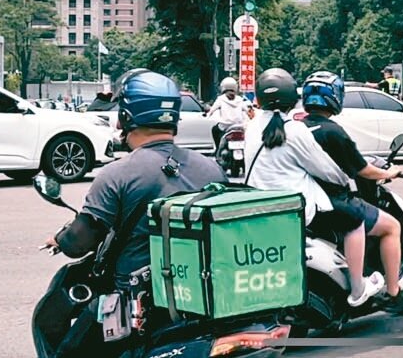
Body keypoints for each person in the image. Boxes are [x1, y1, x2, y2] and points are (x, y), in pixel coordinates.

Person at [41, 69, 227, 354]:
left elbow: (80, 243)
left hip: (138, 303)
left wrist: (61, 239)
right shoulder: (211, 168)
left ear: (126, 117)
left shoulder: (117, 174)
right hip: (202, 296)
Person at [244, 68, 383, 307]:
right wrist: (344, 180)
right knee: (355, 219)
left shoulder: (252, 127)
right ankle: (358, 288)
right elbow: (326, 170)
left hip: (262, 205)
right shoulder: (294, 130)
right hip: (298, 209)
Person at [300, 71, 403, 313]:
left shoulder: (297, 128)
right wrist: (389, 173)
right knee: (392, 227)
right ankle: (393, 293)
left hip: (308, 202)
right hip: (334, 201)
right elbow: (362, 169)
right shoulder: (333, 131)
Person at [207, 77, 254, 144]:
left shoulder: (221, 99)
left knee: (214, 129)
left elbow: (212, 110)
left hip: (225, 126)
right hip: (239, 125)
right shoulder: (239, 99)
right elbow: (247, 111)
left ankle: (217, 149)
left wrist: (208, 114)